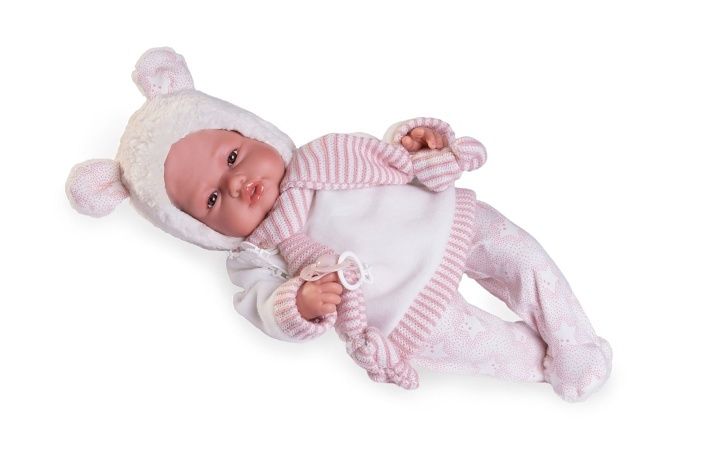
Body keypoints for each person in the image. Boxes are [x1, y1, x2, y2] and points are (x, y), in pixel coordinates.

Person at [66, 47, 612, 401]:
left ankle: (576, 341)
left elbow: (389, 159)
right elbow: (265, 310)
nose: (236, 183)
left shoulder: (325, 154)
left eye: (232, 157)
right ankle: (552, 366)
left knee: (523, 258)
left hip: (444, 221)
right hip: (402, 313)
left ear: (251, 130)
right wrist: (299, 305)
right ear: (198, 230)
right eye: (211, 198)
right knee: (480, 346)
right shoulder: (258, 256)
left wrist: (418, 145)